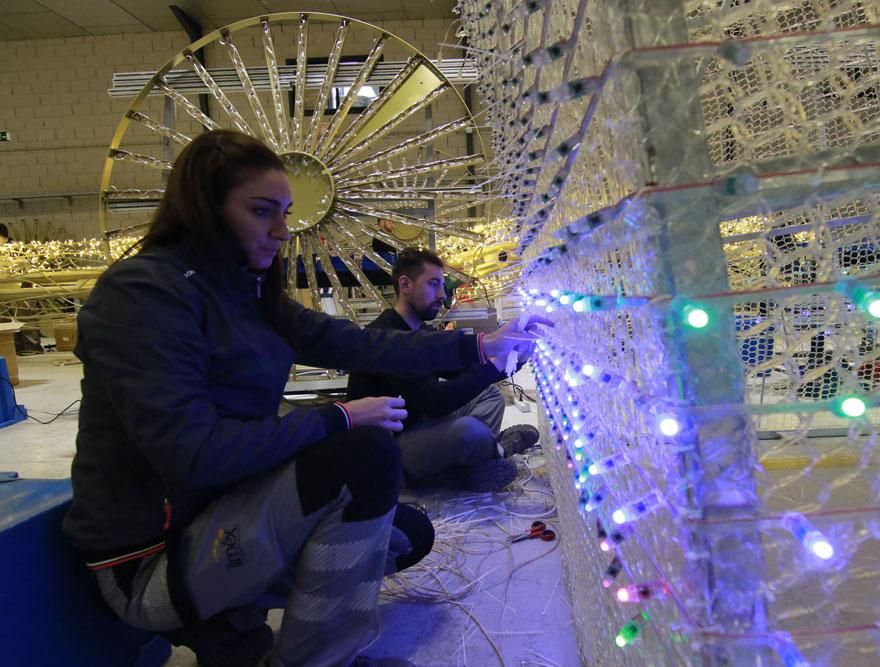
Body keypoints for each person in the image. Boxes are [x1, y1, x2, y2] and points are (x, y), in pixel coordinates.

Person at [62, 130, 543, 667]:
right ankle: (308, 656)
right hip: (149, 563)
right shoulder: (143, 295)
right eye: (262, 211)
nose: (281, 231)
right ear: (204, 209)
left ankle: (230, 620)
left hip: (216, 514)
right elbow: (194, 455)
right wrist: (336, 418)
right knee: (365, 456)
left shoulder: (245, 293)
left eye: (286, 212)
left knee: (408, 533)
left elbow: (361, 343)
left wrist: (480, 344)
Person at [347, 248, 540, 493]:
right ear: (405, 285)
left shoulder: (421, 333)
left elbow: (462, 370)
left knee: (489, 395)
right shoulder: (387, 339)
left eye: (442, 285)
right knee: (467, 431)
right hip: (388, 450)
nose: (442, 294)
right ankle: (487, 456)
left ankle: (477, 459)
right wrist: (494, 364)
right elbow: (436, 402)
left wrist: (515, 356)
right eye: (433, 284)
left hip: (419, 424)